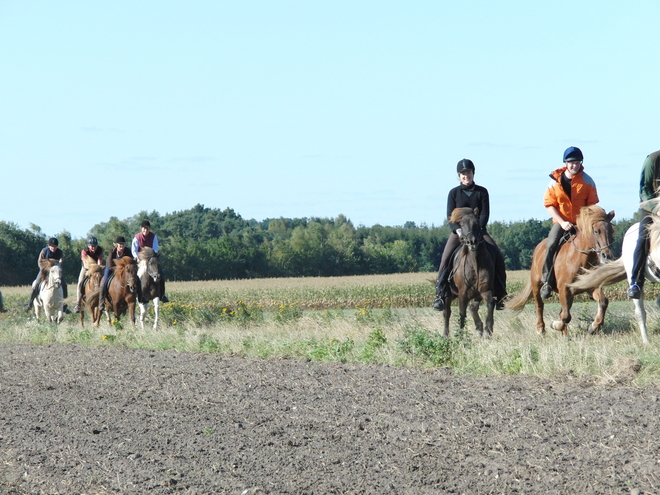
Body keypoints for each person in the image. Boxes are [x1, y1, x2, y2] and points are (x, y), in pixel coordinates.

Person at [432, 159, 508, 311]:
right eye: (463, 174)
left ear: (473, 173)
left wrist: (476, 229)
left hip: (478, 232)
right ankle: (440, 295)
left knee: (497, 256)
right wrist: (458, 230)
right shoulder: (454, 193)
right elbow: (449, 216)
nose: (466, 176)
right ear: (459, 176)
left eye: (468, 173)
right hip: (459, 232)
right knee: (445, 259)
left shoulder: (482, 192)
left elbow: (485, 214)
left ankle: (501, 295)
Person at [539, 146, 599, 299]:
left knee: (598, 243)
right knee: (551, 244)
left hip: (582, 224)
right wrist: (562, 222)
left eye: (578, 162)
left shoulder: (588, 181)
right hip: (561, 222)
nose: (575, 165)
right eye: (571, 163)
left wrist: (585, 223)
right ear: (565, 163)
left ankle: (596, 279)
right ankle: (547, 281)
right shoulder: (554, 182)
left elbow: (592, 205)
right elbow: (549, 205)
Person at [627, 150, 660, 299]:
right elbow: (645, 189)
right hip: (651, 207)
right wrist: (657, 209)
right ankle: (636, 281)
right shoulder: (652, 160)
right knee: (642, 238)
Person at [25, 237, 69, 311]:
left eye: (55, 247)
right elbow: (39, 262)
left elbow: (61, 262)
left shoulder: (60, 252)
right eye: (52, 246)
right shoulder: (44, 251)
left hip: (55, 272)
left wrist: (58, 268)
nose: (53, 248)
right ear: (48, 246)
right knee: (36, 283)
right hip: (44, 271)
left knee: (64, 284)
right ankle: (30, 303)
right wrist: (45, 269)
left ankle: (63, 304)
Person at [131, 220, 169, 303]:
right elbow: (134, 250)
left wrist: (151, 256)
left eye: (147, 229)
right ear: (141, 229)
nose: (145, 230)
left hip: (151, 259)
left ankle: (162, 294)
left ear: (149, 229)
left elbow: (155, 249)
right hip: (140, 260)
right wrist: (136, 257)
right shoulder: (136, 238)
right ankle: (134, 293)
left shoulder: (153, 236)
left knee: (161, 273)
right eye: (144, 229)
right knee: (134, 275)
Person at [99, 236, 134, 313]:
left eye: (123, 244)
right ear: (116, 245)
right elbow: (109, 264)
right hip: (111, 268)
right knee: (104, 282)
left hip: (124, 270)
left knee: (136, 278)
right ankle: (101, 301)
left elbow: (131, 262)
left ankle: (141, 298)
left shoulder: (128, 251)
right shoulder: (112, 252)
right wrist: (117, 269)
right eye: (120, 244)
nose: (121, 246)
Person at [73, 236, 105, 313]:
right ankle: (78, 303)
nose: (93, 247)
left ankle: (105, 301)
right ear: (88, 246)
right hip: (86, 268)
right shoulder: (84, 251)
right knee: (80, 283)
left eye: (95, 246)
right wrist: (92, 268)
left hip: (96, 268)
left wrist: (97, 268)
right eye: (92, 246)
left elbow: (99, 262)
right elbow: (86, 263)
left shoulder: (100, 250)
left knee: (105, 281)